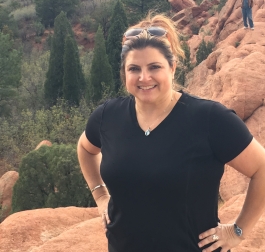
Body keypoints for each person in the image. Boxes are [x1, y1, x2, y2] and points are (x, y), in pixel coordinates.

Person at [77, 13, 265, 252]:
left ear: (173, 67)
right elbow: (85, 148)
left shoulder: (209, 119)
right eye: (134, 68)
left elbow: (262, 168)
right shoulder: (107, 116)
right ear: (125, 73)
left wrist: (238, 231)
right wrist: (100, 194)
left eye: (154, 67)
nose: (144, 77)